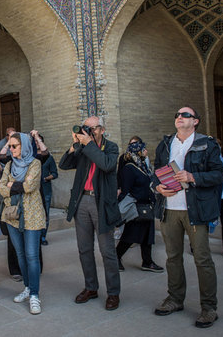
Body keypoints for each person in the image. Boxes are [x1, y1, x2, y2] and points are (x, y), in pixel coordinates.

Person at [152, 106, 223, 328]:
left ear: (195, 121)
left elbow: (219, 173)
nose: (179, 117)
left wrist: (193, 176)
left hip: (195, 209)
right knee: (173, 257)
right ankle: (174, 299)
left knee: (202, 259)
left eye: (185, 115)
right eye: (177, 114)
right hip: (170, 208)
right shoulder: (165, 144)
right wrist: (158, 188)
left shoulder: (207, 144)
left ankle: (209, 307)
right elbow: (155, 171)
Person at [59, 116, 122, 311]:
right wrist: (75, 144)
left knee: (107, 251)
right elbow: (64, 164)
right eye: (87, 128)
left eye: (94, 128)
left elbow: (107, 165)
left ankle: (113, 293)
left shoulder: (111, 147)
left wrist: (88, 144)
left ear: (102, 129)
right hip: (82, 201)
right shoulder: (83, 147)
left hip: (101, 203)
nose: (90, 132)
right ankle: (91, 287)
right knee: (84, 249)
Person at [0, 132, 45, 315]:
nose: (11, 149)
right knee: (20, 254)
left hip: (32, 215)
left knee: (31, 255)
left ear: (24, 146)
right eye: (10, 146)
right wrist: (15, 185)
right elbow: (0, 187)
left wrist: (12, 185)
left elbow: (30, 186)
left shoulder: (35, 163)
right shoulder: (9, 164)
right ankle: (27, 287)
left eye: (14, 146)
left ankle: (34, 294)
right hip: (12, 215)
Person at [116, 137, 163, 273]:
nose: (146, 151)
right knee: (131, 235)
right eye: (143, 149)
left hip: (147, 206)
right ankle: (116, 256)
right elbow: (126, 190)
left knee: (147, 236)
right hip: (136, 208)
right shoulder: (129, 169)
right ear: (137, 152)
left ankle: (147, 262)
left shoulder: (142, 166)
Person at [38, 136, 58, 246]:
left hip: (45, 190)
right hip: (33, 191)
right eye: (35, 141)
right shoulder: (30, 156)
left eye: (38, 141)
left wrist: (45, 178)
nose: (36, 143)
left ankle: (42, 237)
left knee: (45, 215)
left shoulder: (49, 158)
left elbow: (55, 173)